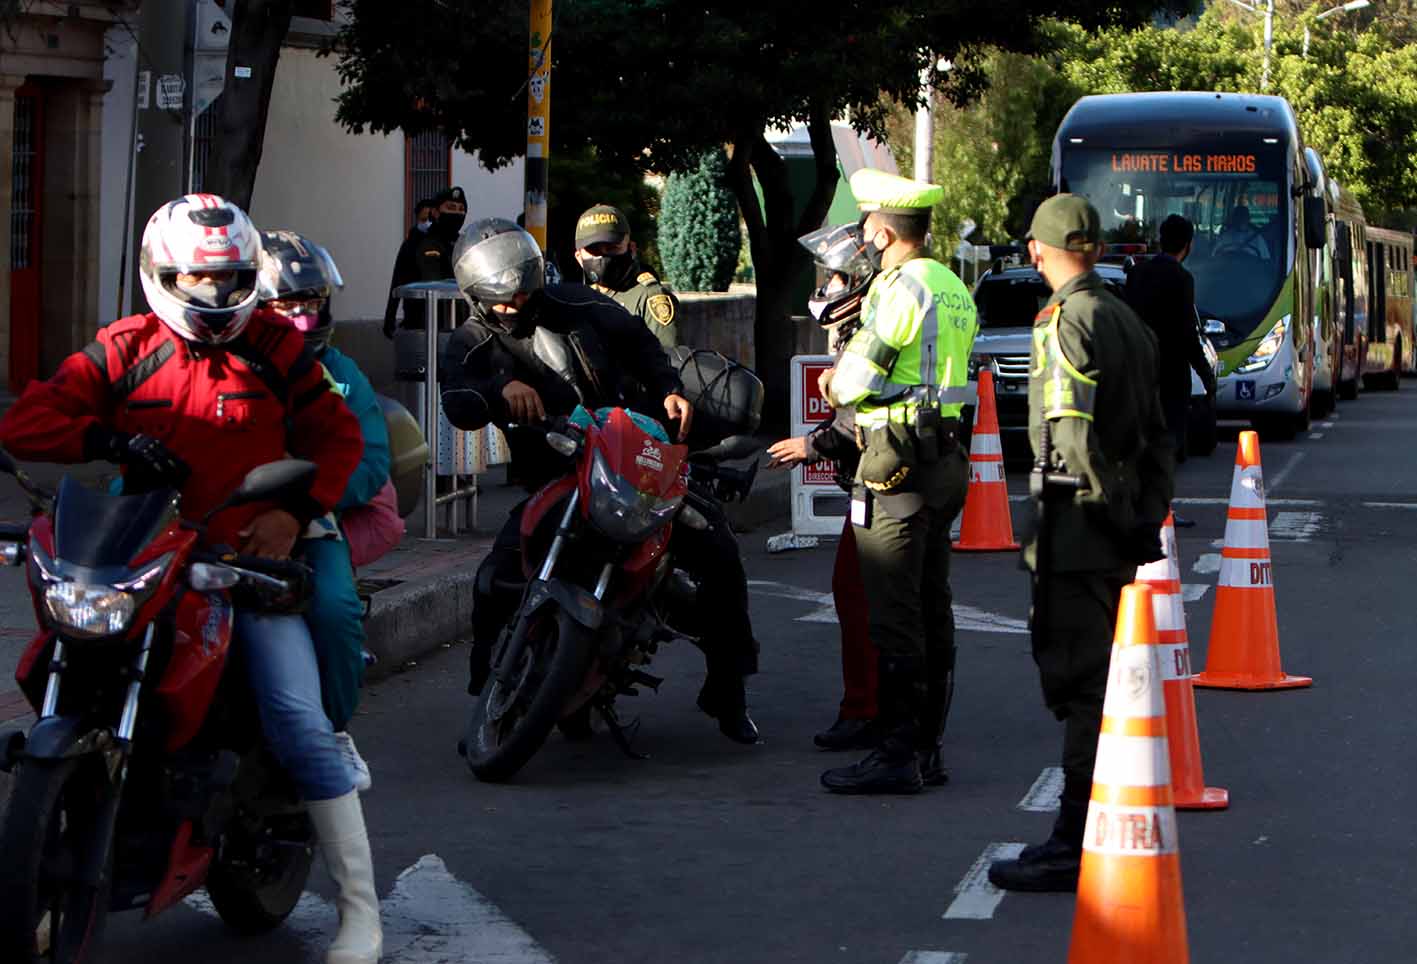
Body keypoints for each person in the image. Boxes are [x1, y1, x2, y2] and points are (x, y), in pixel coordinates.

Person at [0, 195, 382, 963]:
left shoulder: (279, 348)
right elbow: (25, 423)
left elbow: (337, 439)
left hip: (242, 562)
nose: (214, 300)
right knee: (62, 668)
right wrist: (106, 438)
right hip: (144, 556)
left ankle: (360, 914)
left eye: (231, 280)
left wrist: (294, 510)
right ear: (158, 274)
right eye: (195, 282)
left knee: (297, 718)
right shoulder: (122, 346)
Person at [439, 218, 760, 743]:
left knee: (718, 550)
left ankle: (729, 691)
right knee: (493, 580)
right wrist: (500, 390)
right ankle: (488, 696)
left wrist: (670, 390)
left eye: (521, 290)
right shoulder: (474, 341)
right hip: (557, 473)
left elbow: (643, 345)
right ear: (475, 295)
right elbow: (458, 399)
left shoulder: (579, 306)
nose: (513, 304)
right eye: (498, 299)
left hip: (632, 456)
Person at [988, 194, 1174, 893]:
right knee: (1099, 681)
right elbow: (1160, 433)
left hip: (1075, 532)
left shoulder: (1065, 321)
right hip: (1118, 527)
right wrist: (1142, 515)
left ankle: (1073, 839)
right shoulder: (1128, 320)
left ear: (1038, 251)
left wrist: (1098, 511)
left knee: (1079, 686)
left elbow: (1068, 439)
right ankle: (1090, 823)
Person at [816, 170, 978, 795]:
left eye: (864, 226)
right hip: (943, 461)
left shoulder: (900, 288)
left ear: (882, 232)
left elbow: (856, 379)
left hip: (897, 464)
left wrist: (834, 381)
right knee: (933, 608)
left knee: (893, 615)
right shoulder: (952, 285)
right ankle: (926, 748)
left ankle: (896, 754)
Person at [258, 229, 392, 793]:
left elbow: (372, 459)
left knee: (336, 611)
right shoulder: (229, 361)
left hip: (310, 520)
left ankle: (334, 729)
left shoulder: (340, 373)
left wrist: (311, 498)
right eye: (286, 305)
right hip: (214, 520)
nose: (302, 317)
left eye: (310, 303)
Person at [768, 222, 880, 751]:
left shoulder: (871, 333)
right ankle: (887, 712)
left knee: (860, 595)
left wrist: (808, 447)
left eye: (837, 277)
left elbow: (859, 420)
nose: (828, 287)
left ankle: (868, 712)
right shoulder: (870, 326)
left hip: (882, 483)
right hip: (886, 477)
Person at [1124, 214, 1215, 526]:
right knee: (1167, 442)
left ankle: (1135, 504)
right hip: (1170, 373)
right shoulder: (1182, 279)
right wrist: (1205, 373)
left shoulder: (1137, 275)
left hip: (1137, 371)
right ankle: (1160, 509)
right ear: (1187, 246)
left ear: (1160, 239)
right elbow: (1187, 335)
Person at [573, 204, 680, 350]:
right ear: (579, 258)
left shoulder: (649, 297)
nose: (603, 256)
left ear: (632, 249)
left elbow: (668, 361)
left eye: (612, 248)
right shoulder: (580, 300)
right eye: (594, 250)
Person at [383, 186, 468, 336]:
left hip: (459, 326)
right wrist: (390, 319)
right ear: (435, 212)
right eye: (450, 207)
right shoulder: (416, 242)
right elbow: (398, 279)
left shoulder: (465, 245)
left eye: (461, 209)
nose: (456, 212)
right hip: (422, 326)